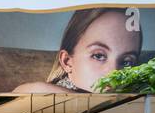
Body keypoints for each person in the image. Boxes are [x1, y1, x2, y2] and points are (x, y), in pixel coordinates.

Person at [13, 7, 142, 94]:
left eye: (126, 62)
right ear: (67, 61)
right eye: (98, 56)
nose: (113, 73)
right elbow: (24, 91)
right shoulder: (43, 97)